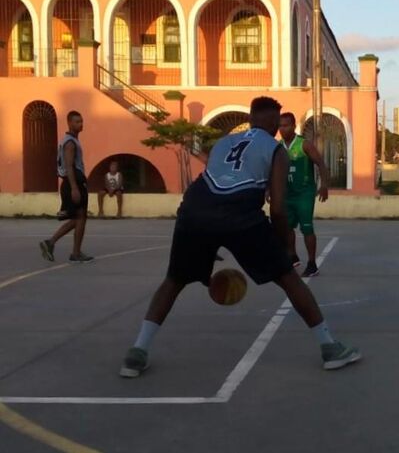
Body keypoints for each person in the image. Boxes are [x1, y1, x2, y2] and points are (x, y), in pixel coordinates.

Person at [119, 97, 360, 377]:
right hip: (240, 212)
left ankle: (137, 353)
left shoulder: (223, 142)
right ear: (273, 122)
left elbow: (217, 178)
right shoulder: (275, 150)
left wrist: (209, 239)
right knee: (289, 279)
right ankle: (329, 348)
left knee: (174, 280)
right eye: (278, 121)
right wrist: (284, 246)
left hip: (195, 209)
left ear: (251, 117)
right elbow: (279, 209)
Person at [277, 112, 329, 277]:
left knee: (306, 228)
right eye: (280, 126)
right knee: (286, 227)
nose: (282, 129)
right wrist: (270, 189)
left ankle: (312, 264)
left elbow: (320, 163)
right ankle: (292, 256)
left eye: (285, 125)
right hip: (287, 193)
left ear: (293, 126)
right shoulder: (278, 147)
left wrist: (324, 185)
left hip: (304, 193)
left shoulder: (304, 144)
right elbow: (274, 170)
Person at [39, 111, 93, 263]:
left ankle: (61, 246)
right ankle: (57, 244)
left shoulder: (71, 141)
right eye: (76, 122)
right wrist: (74, 187)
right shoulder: (70, 142)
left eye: (81, 121)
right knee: (80, 218)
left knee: (79, 218)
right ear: (69, 123)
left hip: (73, 182)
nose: (80, 124)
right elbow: (69, 166)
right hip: (72, 182)